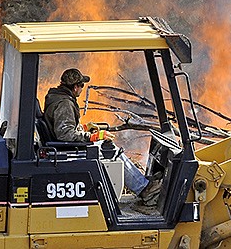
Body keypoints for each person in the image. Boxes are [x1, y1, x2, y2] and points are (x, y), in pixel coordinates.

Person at [43, 68, 161, 206]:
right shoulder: (65, 103)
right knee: (111, 151)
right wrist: (92, 137)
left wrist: (85, 128)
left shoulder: (57, 97)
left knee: (108, 147)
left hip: (65, 146)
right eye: (81, 86)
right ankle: (144, 189)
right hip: (67, 150)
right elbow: (65, 134)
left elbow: (62, 126)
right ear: (75, 87)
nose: (82, 89)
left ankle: (142, 182)